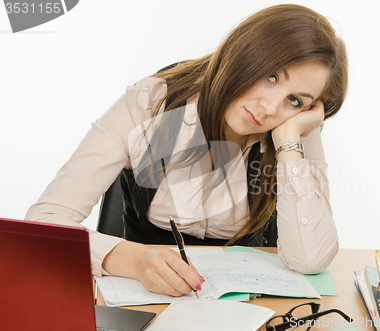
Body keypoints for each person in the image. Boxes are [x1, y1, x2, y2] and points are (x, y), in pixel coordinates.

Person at [25, 4, 348, 297]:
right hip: (141, 301)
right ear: (246, 52)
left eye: (295, 100)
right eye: (272, 76)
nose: (268, 108)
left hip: (241, 307)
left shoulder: (292, 129)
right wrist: (136, 259)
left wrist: (291, 141)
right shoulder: (151, 104)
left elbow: (311, 259)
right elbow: (43, 224)